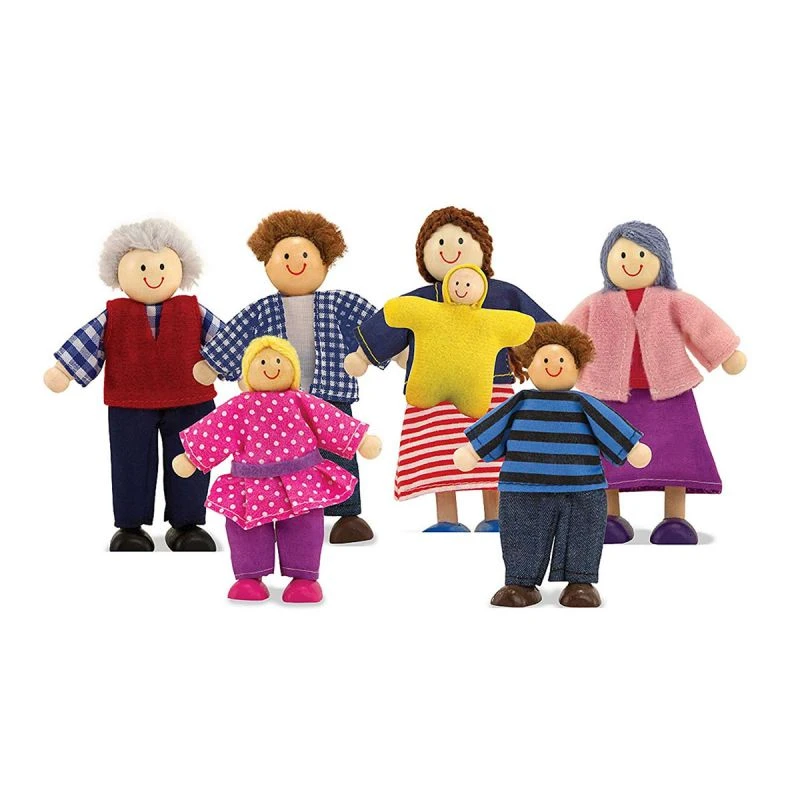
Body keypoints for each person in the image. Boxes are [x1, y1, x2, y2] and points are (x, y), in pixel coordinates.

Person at [346, 207, 554, 532]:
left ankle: (496, 517)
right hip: (433, 398)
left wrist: (556, 349)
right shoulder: (422, 300)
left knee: (492, 455)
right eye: (440, 242)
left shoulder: (501, 294)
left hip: (493, 389)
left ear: (481, 250)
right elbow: (391, 321)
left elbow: (535, 327)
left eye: (459, 241)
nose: (450, 249)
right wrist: (364, 356)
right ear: (424, 256)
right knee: (441, 457)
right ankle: (447, 519)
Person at [193, 210, 385, 543]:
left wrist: (393, 348)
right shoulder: (263, 309)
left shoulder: (339, 303)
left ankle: (346, 513)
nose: (295, 263)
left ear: (324, 262)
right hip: (276, 402)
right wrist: (213, 365)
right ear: (268, 263)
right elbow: (236, 334)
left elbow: (374, 326)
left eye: (305, 256)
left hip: (331, 390)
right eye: (284, 257)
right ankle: (293, 506)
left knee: (339, 448)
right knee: (285, 455)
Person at [43, 219, 222, 552]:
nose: (152, 274)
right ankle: (130, 528)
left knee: (191, 458)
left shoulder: (193, 310)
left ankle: (187, 525)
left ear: (180, 267)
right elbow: (89, 342)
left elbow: (226, 344)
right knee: (130, 461)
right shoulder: (115, 314)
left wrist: (243, 367)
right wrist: (64, 370)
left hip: (191, 400)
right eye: (141, 267)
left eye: (161, 266)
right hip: (129, 401)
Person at [565, 221, 746, 544]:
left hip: (669, 392)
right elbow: (570, 335)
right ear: (607, 261)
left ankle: (675, 518)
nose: (631, 262)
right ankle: (609, 516)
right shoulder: (595, 304)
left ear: (661, 260)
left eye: (642, 255)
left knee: (676, 453)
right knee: (608, 454)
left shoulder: (673, 300)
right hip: (609, 395)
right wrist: (555, 360)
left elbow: (703, 325)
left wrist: (725, 353)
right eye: (622, 255)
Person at [454, 323, 651, 607]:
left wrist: (631, 447)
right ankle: (520, 583)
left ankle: (580, 583)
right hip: (523, 490)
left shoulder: (584, 404)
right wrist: (472, 451)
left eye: (561, 360)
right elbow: (495, 428)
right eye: (545, 359)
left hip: (581, 489)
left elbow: (610, 427)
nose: (553, 365)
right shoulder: (520, 403)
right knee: (521, 535)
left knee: (582, 535)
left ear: (577, 366)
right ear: (529, 363)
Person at [173, 336, 381, 603]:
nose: (271, 367)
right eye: (262, 362)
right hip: (251, 483)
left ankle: (304, 578)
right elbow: (216, 431)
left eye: (279, 361)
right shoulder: (239, 406)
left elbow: (329, 421)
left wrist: (360, 440)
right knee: (246, 528)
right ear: (248, 370)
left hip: (301, 479)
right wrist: (192, 458)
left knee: (304, 527)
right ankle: (249, 578)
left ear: (293, 368)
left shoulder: (301, 401)